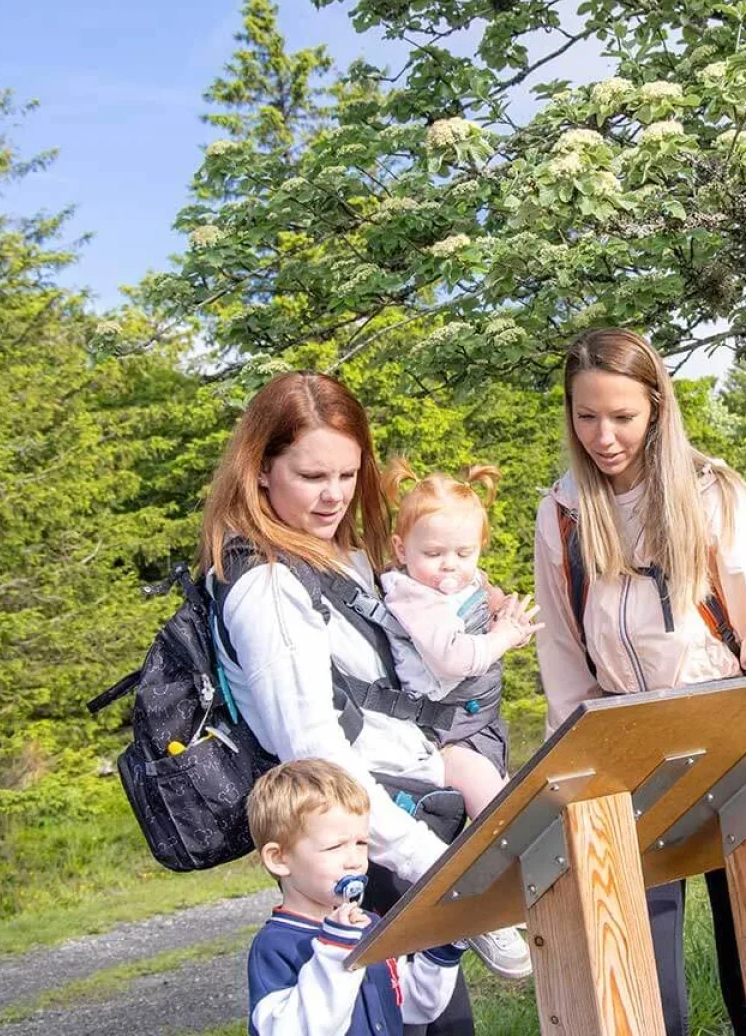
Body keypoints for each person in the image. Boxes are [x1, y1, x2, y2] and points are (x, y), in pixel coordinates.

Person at [201, 371, 531, 1036]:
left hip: (399, 837)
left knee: (438, 1020)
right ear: (260, 470)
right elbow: (314, 753)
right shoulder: (266, 588)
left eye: (348, 476)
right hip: (371, 855)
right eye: (311, 475)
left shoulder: (336, 557)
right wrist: (434, 869)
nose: (333, 496)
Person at [532, 328, 746, 1036]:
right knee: (640, 955)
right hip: (628, 743)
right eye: (585, 416)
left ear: (656, 407)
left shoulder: (712, 492)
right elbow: (563, 655)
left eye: (621, 416)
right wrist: (580, 762)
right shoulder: (562, 513)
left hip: (727, 726)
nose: (603, 435)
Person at [245, 758, 466, 1036]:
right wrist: (335, 950)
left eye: (361, 843)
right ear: (279, 859)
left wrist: (439, 951)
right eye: (335, 846)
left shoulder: (369, 925)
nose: (354, 861)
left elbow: (409, 1006)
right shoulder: (275, 946)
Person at [378, 461, 543, 819]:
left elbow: (489, 603)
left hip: (482, 723)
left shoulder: (470, 581)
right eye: (433, 554)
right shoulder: (413, 597)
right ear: (402, 549)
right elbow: (454, 658)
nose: (450, 565)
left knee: (517, 807)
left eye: (464, 553)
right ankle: (498, 871)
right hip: (447, 737)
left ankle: (516, 871)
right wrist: (503, 637)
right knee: (502, 821)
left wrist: (508, 618)